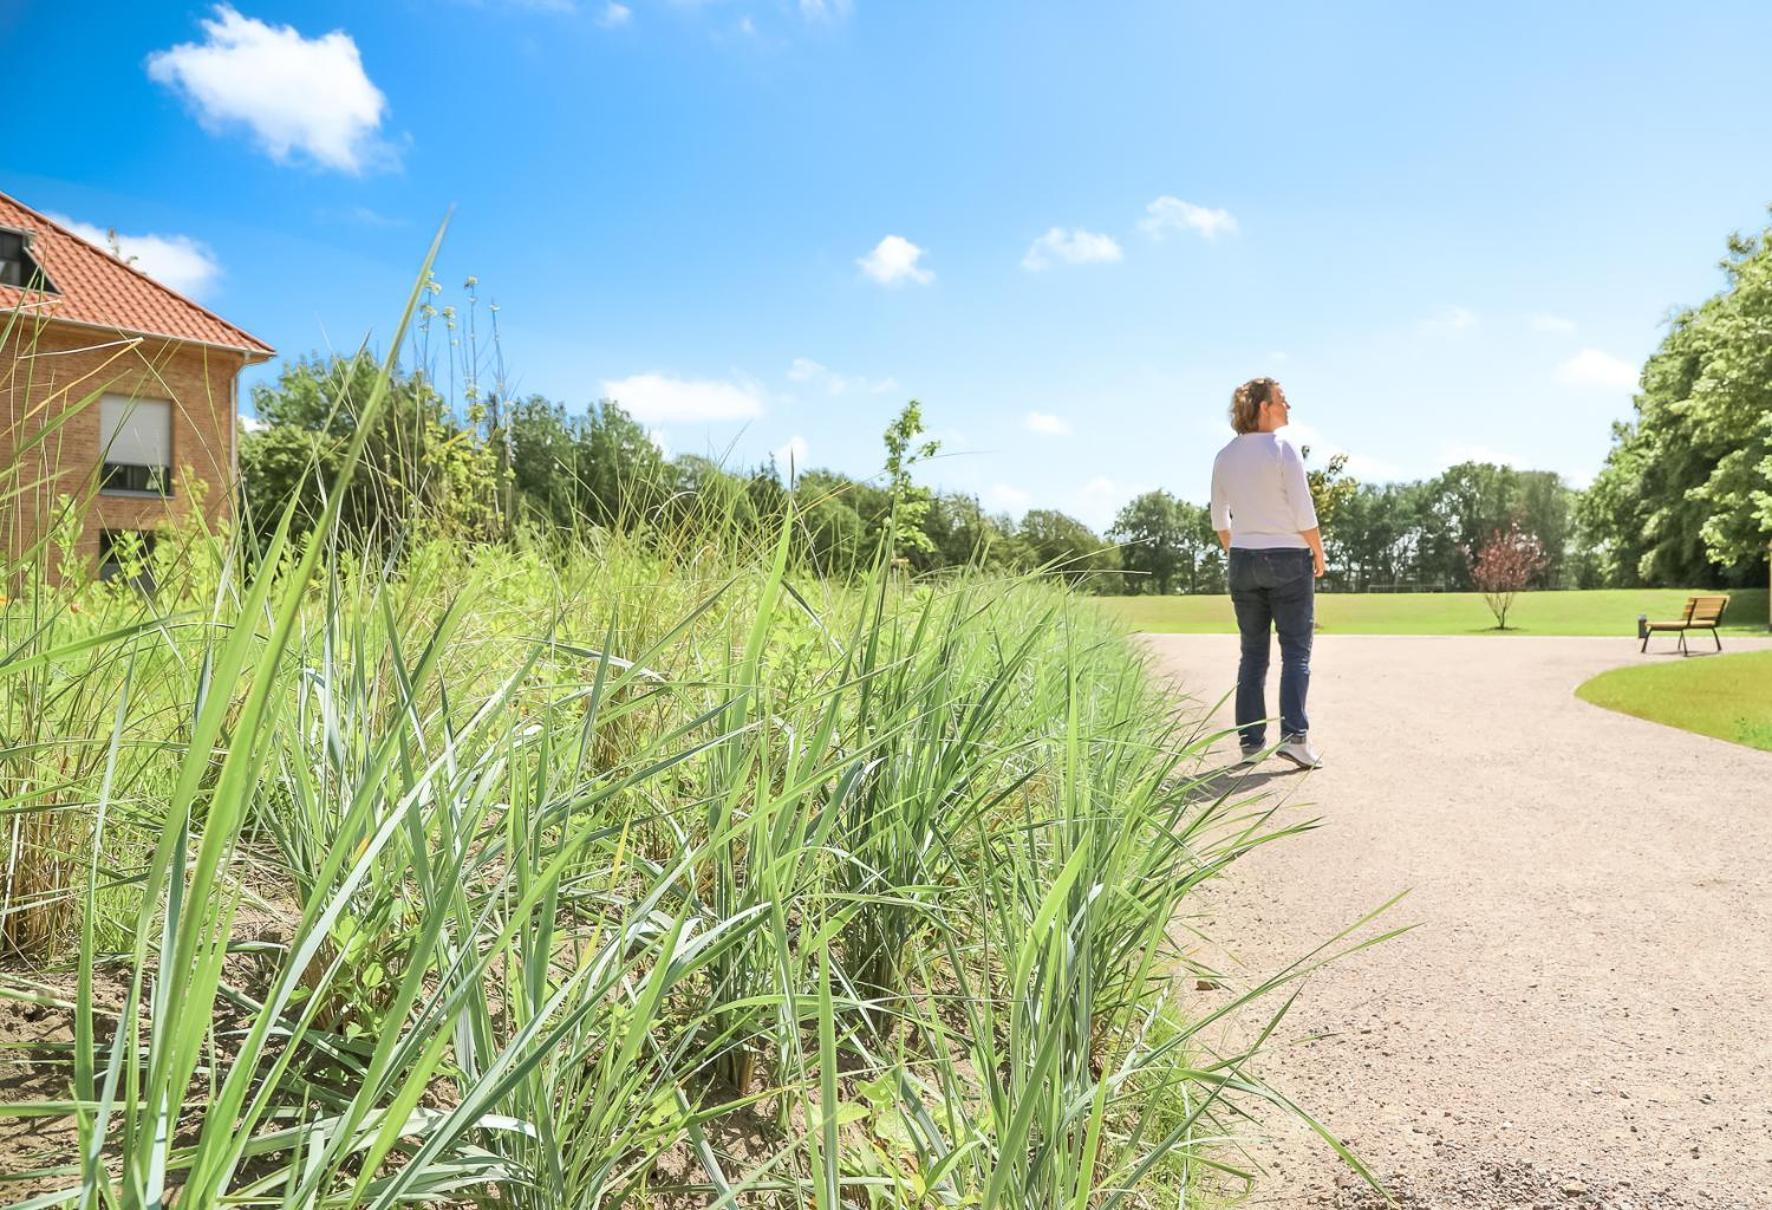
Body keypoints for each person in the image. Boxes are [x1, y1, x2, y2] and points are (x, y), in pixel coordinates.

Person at [1209, 377, 1326, 769]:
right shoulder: (1283, 449)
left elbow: (1219, 521)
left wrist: (1242, 552)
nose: (1288, 407)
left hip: (1242, 560)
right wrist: (1318, 551)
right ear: (1263, 407)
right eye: (1282, 400)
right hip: (1289, 559)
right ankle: (1294, 738)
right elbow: (1303, 511)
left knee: (1252, 654)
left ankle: (1250, 742)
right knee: (1296, 652)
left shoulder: (1224, 456)